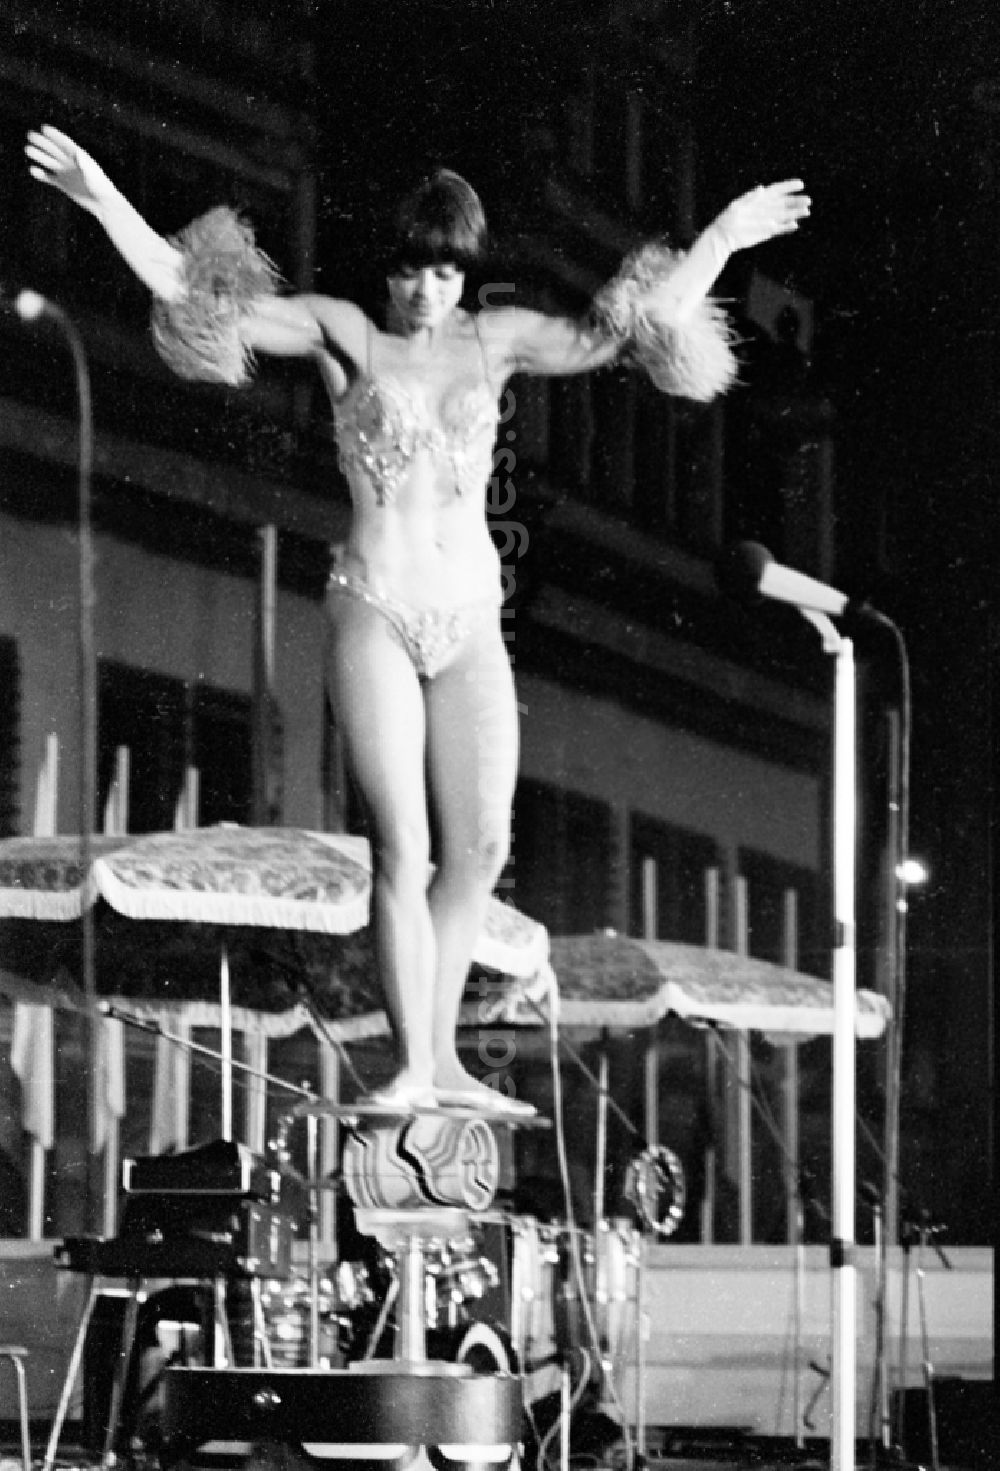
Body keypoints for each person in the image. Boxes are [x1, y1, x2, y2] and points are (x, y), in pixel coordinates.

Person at [25, 125, 810, 1115]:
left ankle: (439, 1060)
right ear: (391, 267)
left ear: (465, 275)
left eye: (447, 273)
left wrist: (725, 237)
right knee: (408, 847)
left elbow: (627, 326)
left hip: (470, 618)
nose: (427, 290)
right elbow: (196, 289)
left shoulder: (498, 340)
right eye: (413, 269)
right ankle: (408, 1064)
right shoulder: (347, 334)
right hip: (377, 608)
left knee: (480, 848)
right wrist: (102, 197)